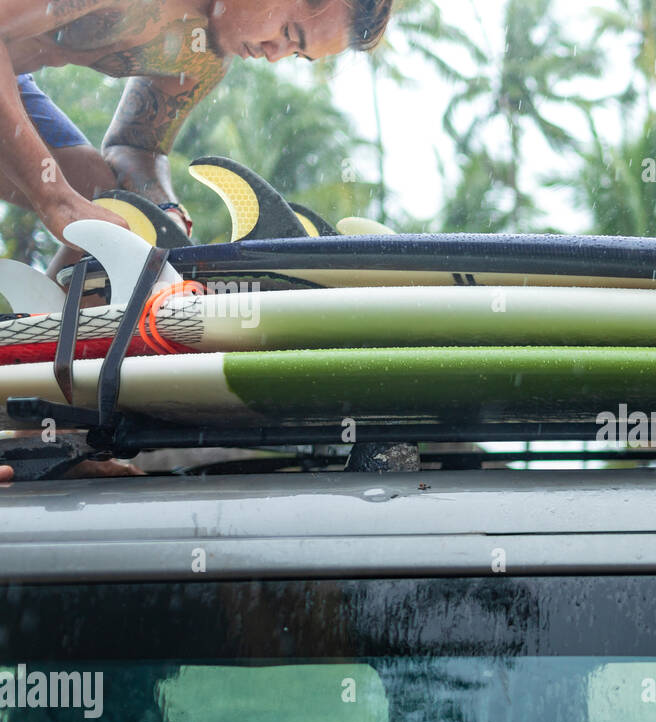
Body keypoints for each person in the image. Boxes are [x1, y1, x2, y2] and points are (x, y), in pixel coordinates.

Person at [0, 0, 392, 483]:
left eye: (294, 53)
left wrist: (163, 215)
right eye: (289, 31)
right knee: (74, 195)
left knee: (111, 203)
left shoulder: (203, 55)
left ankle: (36, 436)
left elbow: (135, 148)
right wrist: (54, 197)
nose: (274, 53)